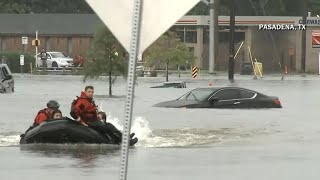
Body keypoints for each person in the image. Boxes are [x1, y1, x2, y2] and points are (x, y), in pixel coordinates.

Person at [70, 86, 138, 145]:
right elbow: (73, 112)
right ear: (85, 92)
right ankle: (127, 141)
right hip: (90, 123)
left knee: (108, 125)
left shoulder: (88, 100)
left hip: (94, 121)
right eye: (89, 91)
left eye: (92, 92)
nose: (91, 93)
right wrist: (82, 122)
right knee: (109, 126)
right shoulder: (82, 102)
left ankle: (125, 137)